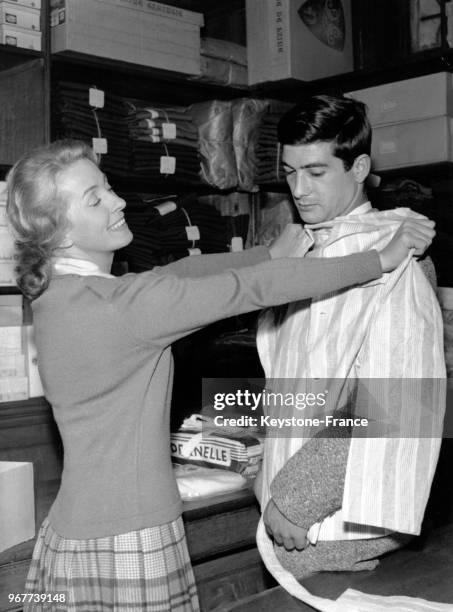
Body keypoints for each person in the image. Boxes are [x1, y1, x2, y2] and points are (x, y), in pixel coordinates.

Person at [6, 139, 434, 612]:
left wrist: (267, 253)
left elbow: (181, 273)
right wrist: (378, 261)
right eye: (95, 198)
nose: (119, 201)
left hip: (70, 533)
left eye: (108, 187)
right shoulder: (123, 308)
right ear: (59, 231)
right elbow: (247, 291)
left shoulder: (63, 295)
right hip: (128, 538)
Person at [254, 95, 446, 586]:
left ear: (358, 167)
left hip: (337, 498)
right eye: (290, 171)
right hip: (294, 482)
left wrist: (296, 497)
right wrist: (267, 462)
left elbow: (397, 399)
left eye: (316, 172)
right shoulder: (306, 246)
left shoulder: (395, 253)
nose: (298, 189)